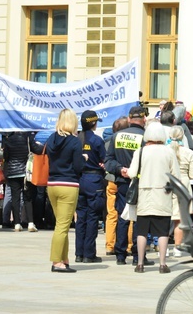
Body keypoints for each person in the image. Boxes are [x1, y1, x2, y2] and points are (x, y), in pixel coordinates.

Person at [128, 122, 181, 274]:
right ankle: (163, 264)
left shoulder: (141, 151)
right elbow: (175, 175)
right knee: (163, 231)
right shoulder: (168, 151)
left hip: (144, 193)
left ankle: (139, 263)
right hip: (163, 194)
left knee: (142, 231)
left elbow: (132, 173)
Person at [105, 106, 154, 267]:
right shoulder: (146, 138)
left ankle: (120, 254)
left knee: (122, 216)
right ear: (144, 119)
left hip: (122, 181)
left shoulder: (116, 136)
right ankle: (137, 255)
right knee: (140, 218)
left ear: (129, 119)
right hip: (141, 182)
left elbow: (109, 161)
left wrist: (121, 170)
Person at [46, 109, 84, 273]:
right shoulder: (75, 142)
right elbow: (78, 167)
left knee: (62, 223)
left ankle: (64, 258)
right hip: (68, 184)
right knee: (63, 225)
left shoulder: (51, 138)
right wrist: (83, 159)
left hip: (52, 183)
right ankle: (56, 262)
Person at [74, 110, 107, 264]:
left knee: (81, 217)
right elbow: (104, 160)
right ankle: (89, 254)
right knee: (92, 217)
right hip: (94, 179)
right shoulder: (97, 140)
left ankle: (79, 253)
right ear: (93, 123)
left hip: (80, 179)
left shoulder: (76, 139)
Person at [168, 126, 193, 258]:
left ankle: (160, 246)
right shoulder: (188, 152)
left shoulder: (165, 151)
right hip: (183, 185)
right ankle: (177, 247)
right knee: (179, 219)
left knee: (164, 217)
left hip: (168, 184)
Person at [1, 130, 39, 232]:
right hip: (25, 172)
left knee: (15, 198)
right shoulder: (27, 138)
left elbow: (6, 156)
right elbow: (36, 150)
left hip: (12, 172)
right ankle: (30, 223)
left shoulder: (9, 139)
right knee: (27, 198)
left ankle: (17, 224)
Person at [104, 117, 129, 256]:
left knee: (111, 213)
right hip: (123, 179)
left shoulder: (108, 142)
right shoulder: (127, 141)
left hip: (111, 180)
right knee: (128, 213)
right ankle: (129, 245)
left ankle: (109, 245)